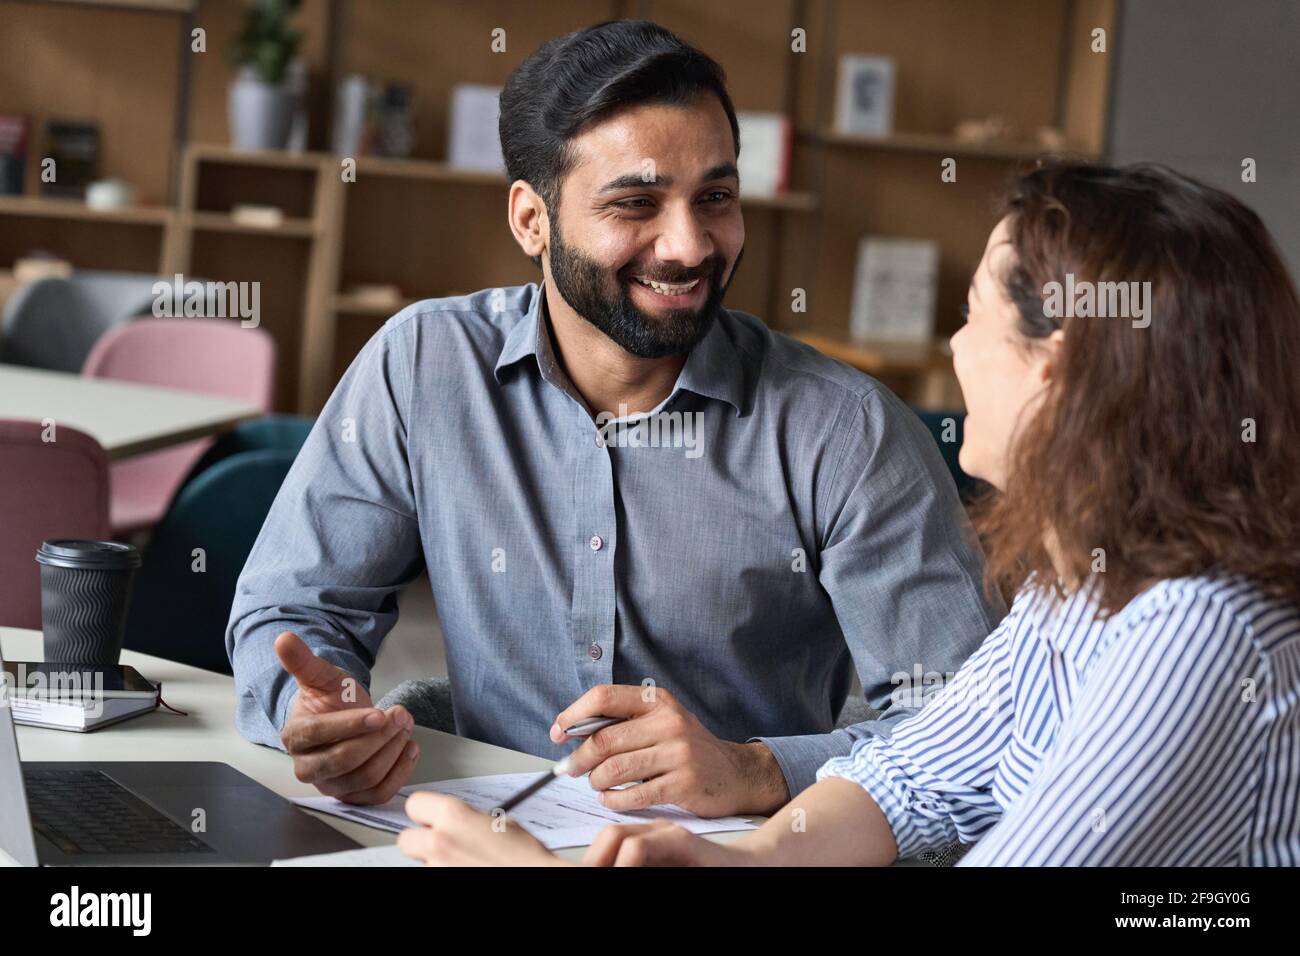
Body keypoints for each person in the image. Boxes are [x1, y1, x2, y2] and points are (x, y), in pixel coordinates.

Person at [396, 162, 1300, 866]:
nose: (954, 344)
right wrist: (741, 861)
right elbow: (917, 778)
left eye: (973, 313)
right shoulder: (1081, 591)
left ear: (1055, 369)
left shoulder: (1195, 632)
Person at [225, 19, 1001, 818]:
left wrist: (755, 770)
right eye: (636, 202)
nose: (690, 245)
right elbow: (294, 607)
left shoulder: (846, 431)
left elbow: (974, 734)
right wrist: (313, 710)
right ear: (532, 221)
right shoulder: (423, 365)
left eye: (716, 198)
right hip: (476, 835)